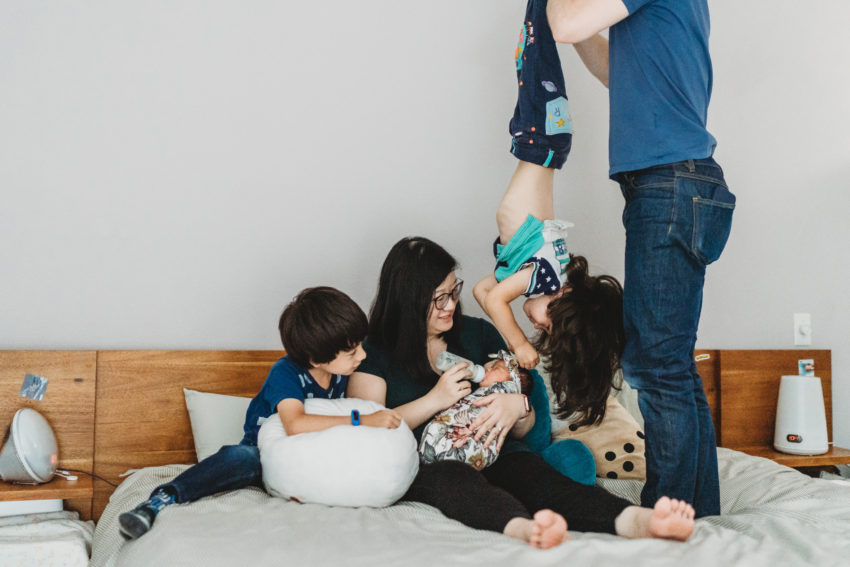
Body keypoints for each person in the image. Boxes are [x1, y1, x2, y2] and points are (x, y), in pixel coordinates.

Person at [348, 236, 696, 549]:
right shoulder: (373, 354)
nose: (451, 305)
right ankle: (522, 529)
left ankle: (637, 520)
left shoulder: (478, 334)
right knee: (457, 483)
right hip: (432, 465)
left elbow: (524, 425)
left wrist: (517, 407)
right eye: (439, 298)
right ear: (406, 302)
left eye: (454, 291)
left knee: (536, 475)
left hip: (500, 452)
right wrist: (435, 400)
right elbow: (368, 429)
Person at [543, 0, 736, 517]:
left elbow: (563, 21)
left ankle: (664, 516)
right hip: (679, 183)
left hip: (669, 183)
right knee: (670, 362)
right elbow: (613, 69)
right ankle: (697, 516)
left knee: (655, 364)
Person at [118, 286, 402, 540]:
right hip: (264, 456)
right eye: (352, 352)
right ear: (316, 358)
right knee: (241, 457)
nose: (363, 356)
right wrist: (361, 420)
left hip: (308, 460)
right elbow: (295, 423)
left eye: (360, 346)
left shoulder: (341, 373)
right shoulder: (286, 372)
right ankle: (161, 499)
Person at [473, 0, 625, 434]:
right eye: (548, 323)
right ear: (565, 301)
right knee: (535, 44)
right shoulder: (547, 277)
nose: (534, 322)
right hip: (543, 139)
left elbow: (487, 292)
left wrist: (513, 334)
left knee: (531, 49)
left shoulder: (533, 276)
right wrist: (518, 344)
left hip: (544, 141)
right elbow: (498, 299)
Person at [419, 350, 534, 471]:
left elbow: (522, 405)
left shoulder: (507, 389)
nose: (486, 368)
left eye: (495, 367)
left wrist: (521, 404)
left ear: (514, 381)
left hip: (484, 450)